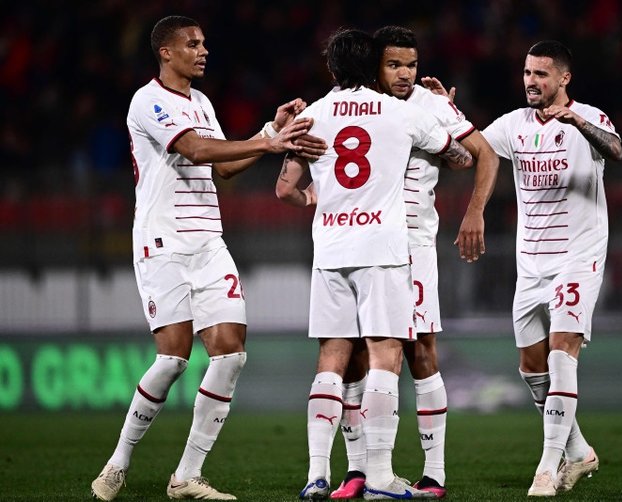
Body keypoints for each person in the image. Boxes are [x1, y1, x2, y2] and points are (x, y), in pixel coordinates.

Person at [90, 15, 325, 501]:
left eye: (204, 44)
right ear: (166, 52)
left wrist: (270, 129)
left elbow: (224, 168)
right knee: (173, 359)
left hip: (209, 242)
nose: (203, 51)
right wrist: (269, 142)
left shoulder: (201, 102)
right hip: (163, 242)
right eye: (193, 44)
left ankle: (187, 476)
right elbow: (196, 150)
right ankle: (118, 463)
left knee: (231, 353)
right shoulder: (148, 100)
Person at [274, 28, 472, 500]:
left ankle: (317, 474)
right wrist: (446, 119)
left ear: (331, 68)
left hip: (330, 249)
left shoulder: (312, 115)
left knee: (332, 360)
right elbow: (461, 157)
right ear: (373, 66)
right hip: (382, 248)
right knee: (386, 356)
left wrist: (317, 198)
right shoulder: (400, 112)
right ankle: (380, 476)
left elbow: (284, 190)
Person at [325, 25, 499, 500]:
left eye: (412, 65)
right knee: (356, 355)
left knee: (420, 351)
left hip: (412, 245)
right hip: (362, 242)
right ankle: (357, 471)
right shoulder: (352, 104)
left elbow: (484, 155)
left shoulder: (431, 105)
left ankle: (434, 473)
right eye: (394, 65)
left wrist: (475, 211)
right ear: (374, 66)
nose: (405, 74)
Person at [476, 40, 622, 496]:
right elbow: (471, 151)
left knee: (562, 351)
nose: (531, 81)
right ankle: (578, 450)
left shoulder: (589, 117)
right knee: (531, 366)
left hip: (577, 257)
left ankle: (546, 468)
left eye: (541, 74)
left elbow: (616, 149)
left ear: (564, 78)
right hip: (531, 264)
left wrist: (577, 123)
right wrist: (445, 114)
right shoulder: (513, 124)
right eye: (527, 73)